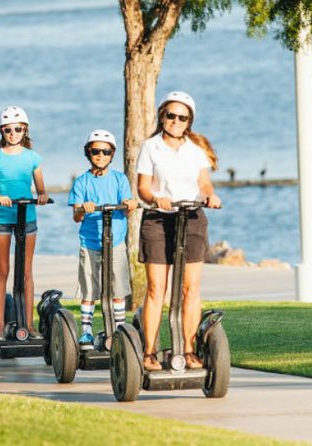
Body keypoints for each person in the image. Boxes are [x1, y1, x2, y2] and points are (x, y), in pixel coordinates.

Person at [136, 91, 221, 371]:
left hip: (192, 217)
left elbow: (204, 182)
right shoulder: (151, 147)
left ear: (189, 121)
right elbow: (143, 187)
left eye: (181, 117)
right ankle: (149, 352)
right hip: (158, 219)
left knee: (190, 287)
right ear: (162, 117)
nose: (175, 121)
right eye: (170, 115)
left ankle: (187, 350)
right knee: (156, 289)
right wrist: (154, 198)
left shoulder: (195, 149)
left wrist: (211, 196)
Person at [0, 106, 48, 341]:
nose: (13, 133)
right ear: (2, 131)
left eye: (18, 129)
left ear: (25, 130)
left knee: (26, 272)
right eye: (8, 130)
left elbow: (41, 189)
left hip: (26, 217)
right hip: (1, 218)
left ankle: (29, 325)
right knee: (2, 271)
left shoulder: (33, 158)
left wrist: (41, 196)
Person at [68, 129, 138, 346]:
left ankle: (118, 330)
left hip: (115, 241)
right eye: (96, 151)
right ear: (88, 152)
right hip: (90, 242)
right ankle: (86, 330)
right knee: (89, 286)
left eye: (105, 152)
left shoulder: (119, 179)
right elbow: (76, 216)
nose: (100, 155)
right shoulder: (82, 182)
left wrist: (130, 205)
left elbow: (127, 205)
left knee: (117, 287)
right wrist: (83, 209)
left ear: (112, 154)